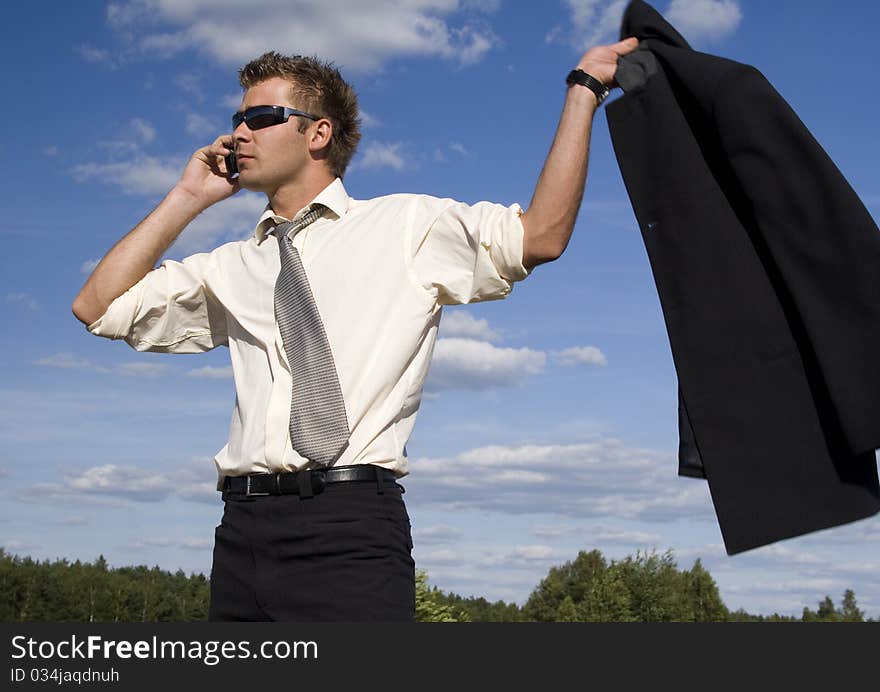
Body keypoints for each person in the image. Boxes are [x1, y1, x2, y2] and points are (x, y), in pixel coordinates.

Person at [72, 37, 640, 621]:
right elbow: (97, 306)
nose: (240, 132)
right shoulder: (228, 265)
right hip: (241, 533)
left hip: (348, 528)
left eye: (262, 117)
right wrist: (188, 197)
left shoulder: (406, 227)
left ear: (318, 134)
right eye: (236, 119)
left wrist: (584, 91)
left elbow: (541, 235)